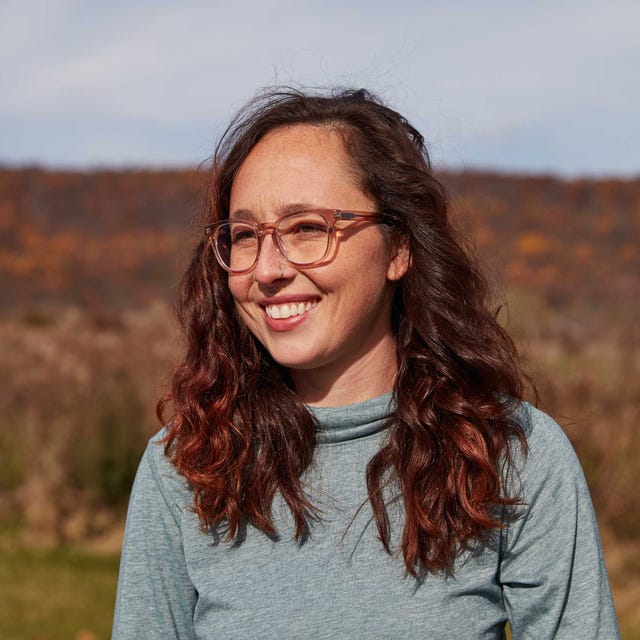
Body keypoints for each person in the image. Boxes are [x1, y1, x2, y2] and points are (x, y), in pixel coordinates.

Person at [112, 88, 620, 639]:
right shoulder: (187, 464)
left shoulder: (512, 453)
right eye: (244, 235)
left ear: (398, 249)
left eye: (307, 228)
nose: (267, 269)